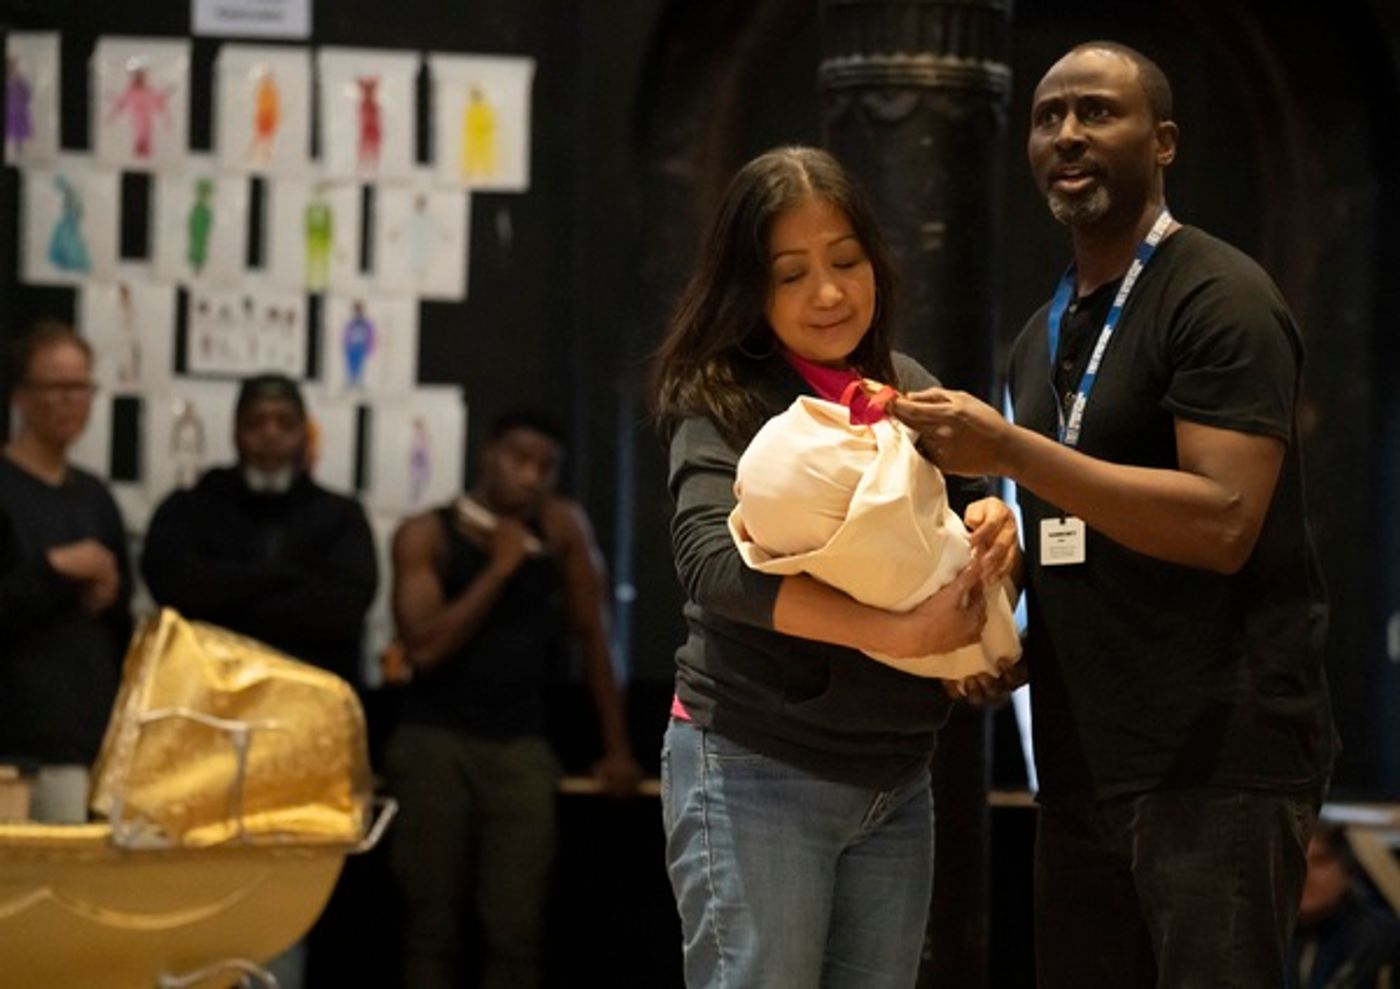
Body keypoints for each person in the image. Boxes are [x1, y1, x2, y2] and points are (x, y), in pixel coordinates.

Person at [890, 42, 1336, 988]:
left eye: (1097, 111)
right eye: (1050, 117)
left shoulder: (1220, 297)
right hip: (1082, 762)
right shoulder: (1036, 339)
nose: (1068, 135)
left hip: (1218, 763)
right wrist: (999, 639)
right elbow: (1075, 531)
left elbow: (1222, 523)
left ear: (1164, 141)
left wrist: (1011, 452)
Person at [649, 145, 1021, 988]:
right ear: (748, 286)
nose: (828, 292)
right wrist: (896, 629)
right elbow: (710, 565)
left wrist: (999, 531)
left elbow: (970, 532)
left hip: (896, 772)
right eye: (791, 273)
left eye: (846, 261)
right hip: (752, 762)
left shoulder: (909, 386)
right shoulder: (719, 395)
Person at [387, 408, 643, 989]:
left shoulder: (561, 531)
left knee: (517, 929)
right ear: (488, 456)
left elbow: (596, 640)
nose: (531, 477)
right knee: (431, 930)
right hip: (434, 741)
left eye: (545, 466)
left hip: (522, 744)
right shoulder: (428, 532)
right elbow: (424, 650)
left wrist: (618, 748)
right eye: (519, 459)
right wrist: (499, 570)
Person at [141, 373, 377, 684]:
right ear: (236, 433)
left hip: (309, 702)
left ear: (304, 435)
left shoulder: (342, 516)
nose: (270, 435)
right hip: (209, 698)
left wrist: (229, 595)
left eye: (285, 423)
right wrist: (286, 578)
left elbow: (341, 613)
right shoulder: (189, 508)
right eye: (256, 422)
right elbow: (176, 591)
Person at [0, 322, 131, 823]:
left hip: (80, 741)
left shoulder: (95, 496)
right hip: (13, 744)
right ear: (20, 396)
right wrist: (54, 568)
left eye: (80, 388)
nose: (68, 401)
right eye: (54, 387)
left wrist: (111, 592)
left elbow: (119, 620)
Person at [1289, 823, 1400, 988]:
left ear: (1347, 871)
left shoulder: (1383, 941)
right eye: (1296, 864)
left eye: (1319, 862)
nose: (1306, 875)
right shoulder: (1273, 937)